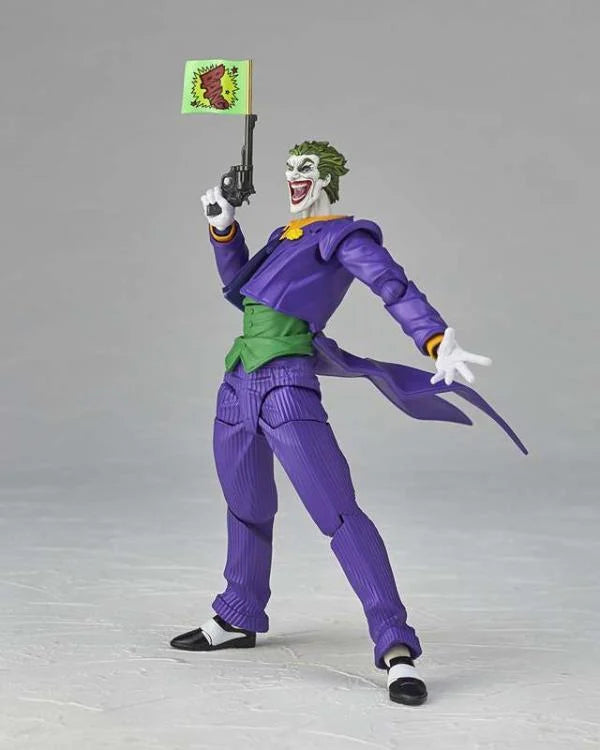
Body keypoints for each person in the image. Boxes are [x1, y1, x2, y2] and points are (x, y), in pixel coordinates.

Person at [170, 141, 525, 706]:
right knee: (245, 504)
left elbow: (392, 285)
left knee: (338, 513)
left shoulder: (344, 237)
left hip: (286, 386)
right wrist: (224, 230)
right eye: (289, 169)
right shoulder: (283, 237)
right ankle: (239, 612)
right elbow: (245, 294)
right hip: (238, 381)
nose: (294, 176)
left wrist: (434, 338)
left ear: (328, 179)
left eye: (305, 169)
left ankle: (395, 644)